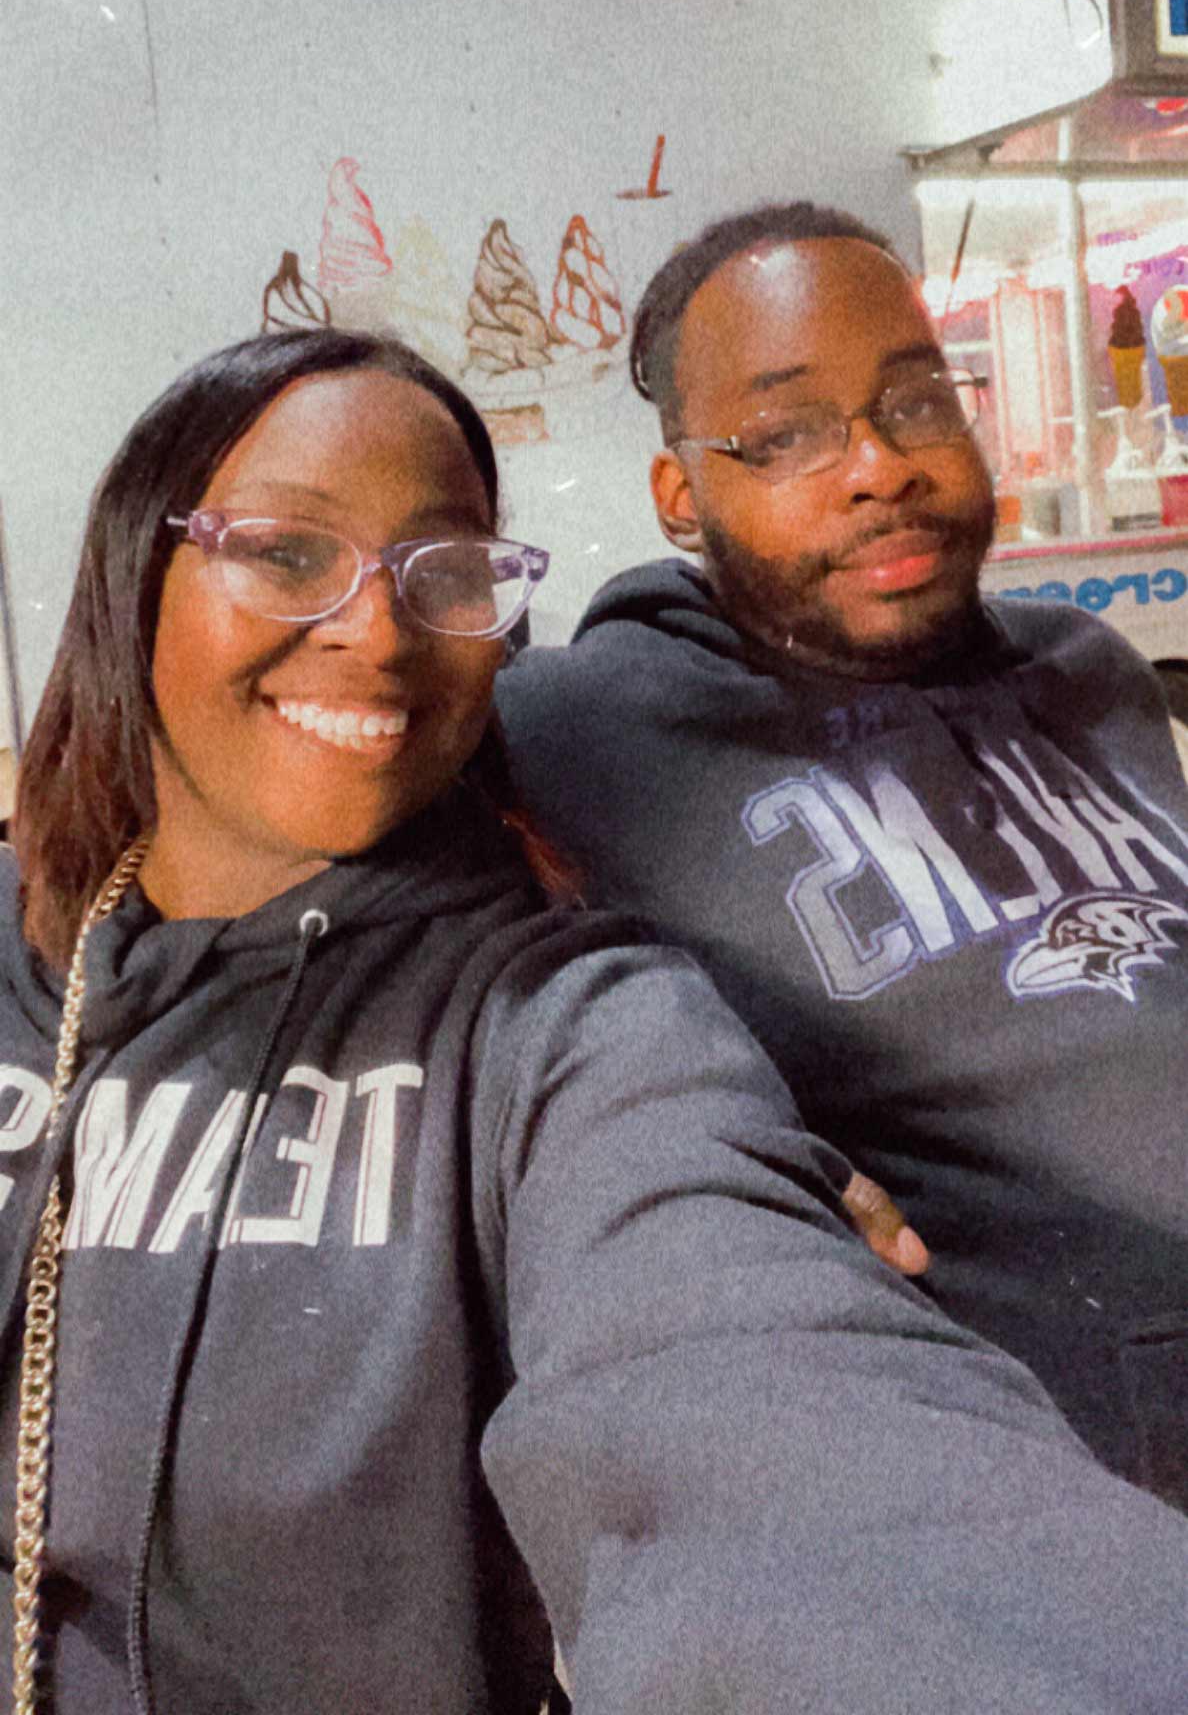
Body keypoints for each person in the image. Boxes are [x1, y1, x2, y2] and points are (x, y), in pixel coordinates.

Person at [5, 336, 1188, 1715]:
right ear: (130, 576)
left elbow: (759, 1408)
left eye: (444, 570)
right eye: (284, 553)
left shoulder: (567, 1031)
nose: (379, 631)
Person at [497, 202, 1188, 1513]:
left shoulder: (1089, 675)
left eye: (917, 402)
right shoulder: (573, 734)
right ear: (681, 499)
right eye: (790, 434)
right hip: (1049, 1503)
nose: (879, 464)